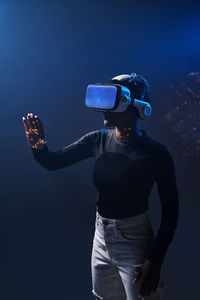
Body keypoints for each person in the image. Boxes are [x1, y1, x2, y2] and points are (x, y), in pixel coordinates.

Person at [22, 73, 179, 300]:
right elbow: (52, 162)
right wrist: (38, 146)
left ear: (131, 103)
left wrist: (155, 260)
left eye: (111, 99)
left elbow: (171, 211)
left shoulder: (156, 154)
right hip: (101, 238)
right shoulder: (96, 140)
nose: (104, 107)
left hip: (135, 241)